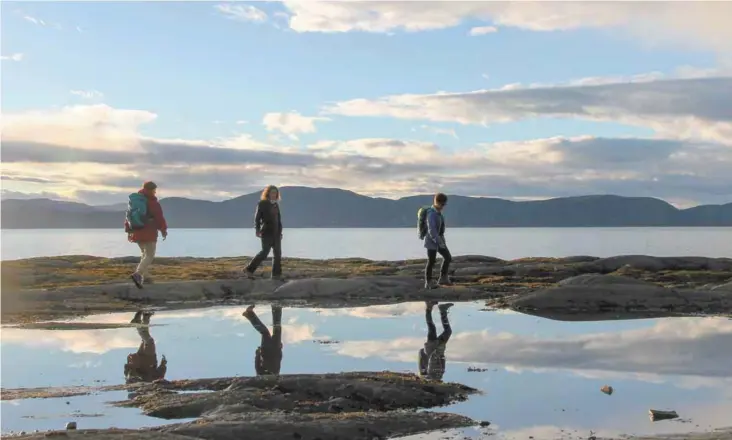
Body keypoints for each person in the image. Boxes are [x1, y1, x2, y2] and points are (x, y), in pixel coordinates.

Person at [125, 181, 168, 289]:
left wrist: (129, 230)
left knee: (144, 253)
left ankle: (146, 277)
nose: (155, 192)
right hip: (149, 231)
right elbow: (159, 217)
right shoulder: (152, 202)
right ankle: (138, 274)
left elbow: (128, 216)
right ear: (151, 190)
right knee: (150, 255)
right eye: (154, 190)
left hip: (137, 231)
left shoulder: (135, 200)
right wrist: (163, 229)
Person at [244, 185, 283, 280]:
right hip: (266, 232)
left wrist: (280, 232)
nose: (274, 194)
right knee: (264, 252)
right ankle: (249, 269)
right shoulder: (262, 203)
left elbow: (278, 220)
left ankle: (276, 275)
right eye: (272, 192)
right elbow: (257, 218)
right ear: (268, 193)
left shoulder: (275, 204)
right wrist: (257, 230)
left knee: (277, 254)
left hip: (276, 233)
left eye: (275, 193)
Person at [124, 311, 167, 384]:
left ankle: (138, 323)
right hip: (144, 360)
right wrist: (163, 364)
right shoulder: (149, 383)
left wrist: (163, 364)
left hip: (148, 360)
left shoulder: (149, 383)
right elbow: (160, 373)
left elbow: (160, 374)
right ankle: (145, 318)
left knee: (149, 341)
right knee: (145, 340)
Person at [242, 304, 283, 376]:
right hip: (276, 348)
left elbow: (257, 365)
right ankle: (276, 308)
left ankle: (250, 314)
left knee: (265, 332)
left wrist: (258, 354)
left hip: (266, 351)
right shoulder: (276, 374)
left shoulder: (261, 375)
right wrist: (280, 349)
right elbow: (279, 360)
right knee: (277, 328)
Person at [418, 302, 453, 381]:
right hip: (434, 348)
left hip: (434, 348)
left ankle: (432, 308)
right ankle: (440, 310)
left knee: (433, 328)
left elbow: (434, 359)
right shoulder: (436, 375)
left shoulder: (432, 375)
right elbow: (442, 361)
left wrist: (438, 352)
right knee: (435, 328)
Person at [424, 192, 453, 289]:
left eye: (444, 204)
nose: (443, 206)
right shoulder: (431, 214)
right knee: (431, 261)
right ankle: (428, 282)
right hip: (431, 241)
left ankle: (443, 278)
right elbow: (432, 230)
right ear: (437, 202)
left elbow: (440, 230)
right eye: (443, 204)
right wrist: (439, 242)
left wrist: (442, 241)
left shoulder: (439, 213)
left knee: (448, 257)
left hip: (439, 240)